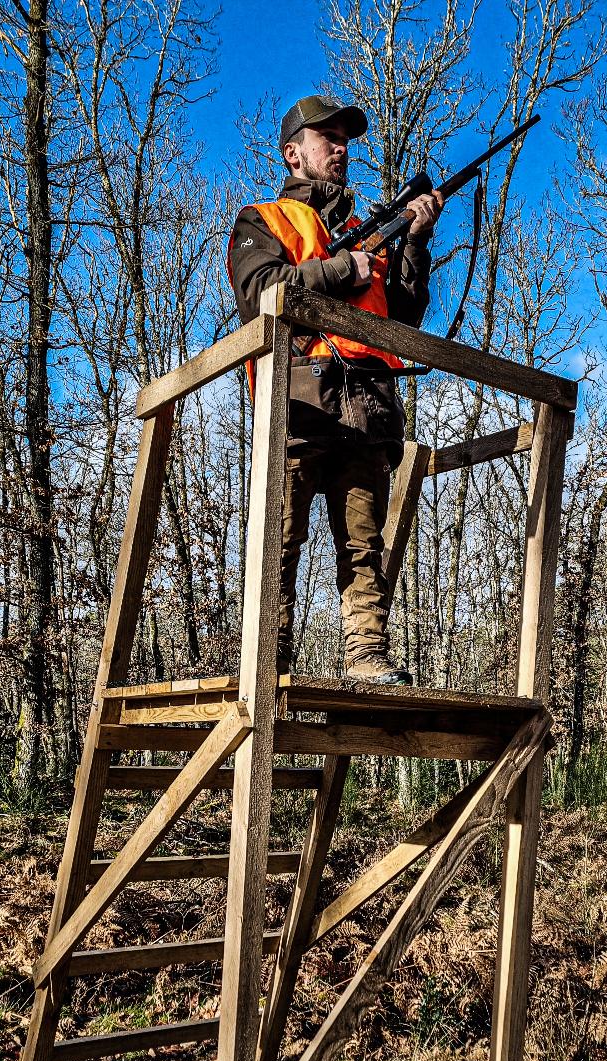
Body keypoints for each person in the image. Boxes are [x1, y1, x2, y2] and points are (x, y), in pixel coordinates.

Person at [228, 94, 443, 684]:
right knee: (281, 545)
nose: (342, 147)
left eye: (346, 138)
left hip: (367, 408)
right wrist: (347, 268)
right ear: (294, 153)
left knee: (363, 550)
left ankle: (368, 657)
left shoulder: (367, 233)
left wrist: (415, 242)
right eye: (329, 137)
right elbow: (264, 294)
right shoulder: (261, 221)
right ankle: (268, 666)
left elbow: (402, 318)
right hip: (296, 406)